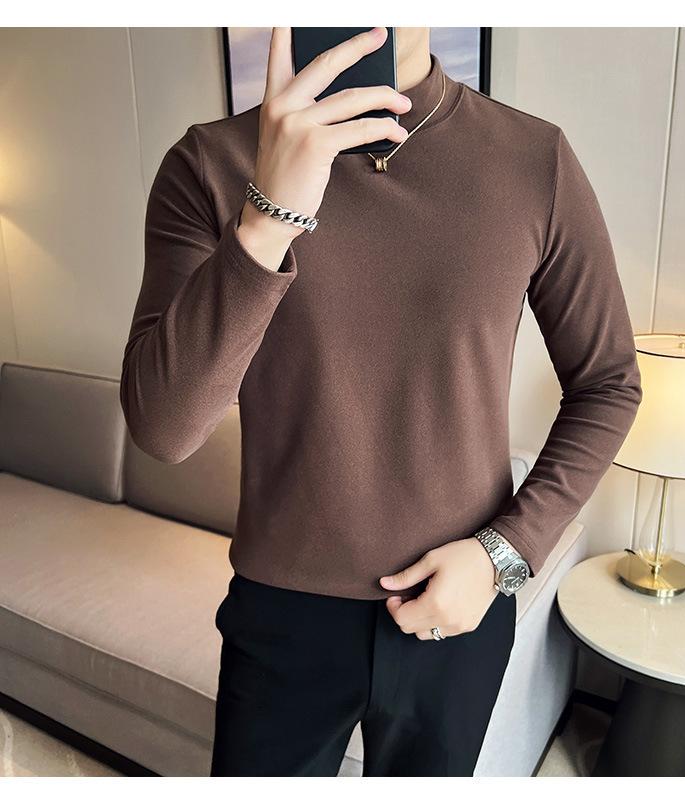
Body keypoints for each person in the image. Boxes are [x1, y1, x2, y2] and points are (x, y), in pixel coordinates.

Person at [119, 27, 642, 776]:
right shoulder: (210, 162)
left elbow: (608, 381)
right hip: (282, 613)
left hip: (459, 604)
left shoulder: (533, 158)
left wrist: (505, 553)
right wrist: (266, 218)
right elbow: (163, 429)